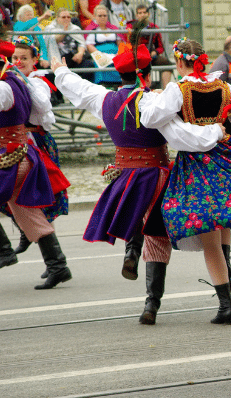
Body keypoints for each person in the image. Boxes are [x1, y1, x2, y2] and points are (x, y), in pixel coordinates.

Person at [138, 36, 231, 326]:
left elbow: (151, 117)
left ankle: (226, 304)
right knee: (222, 225)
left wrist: (154, 102)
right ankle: (226, 291)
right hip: (224, 161)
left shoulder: (179, 89)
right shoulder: (225, 88)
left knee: (210, 236)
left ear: (179, 61)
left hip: (196, 167)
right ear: (203, 59)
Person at [52, 34, 182, 324]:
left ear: (118, 74)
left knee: (134, 214)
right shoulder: (153, 100)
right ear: (146, 74)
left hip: (124, 173)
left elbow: (79, 87)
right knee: (158, 235)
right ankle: (151, 305)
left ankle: (131, 252)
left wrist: (60, 70)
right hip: (156, 173)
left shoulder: (104, 98)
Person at [0, 31, 72, 289]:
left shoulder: (6, 85)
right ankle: (58, 265)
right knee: (27, 211)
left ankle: (2, 250)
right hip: (19, 153)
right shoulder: (15, 81)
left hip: (12, 155)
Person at [6, 36, 71, 264]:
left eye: (24, 58)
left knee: (40, 198)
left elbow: (43, 106)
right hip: (19, 141)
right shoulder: (8, 80)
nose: (19, 61)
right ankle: (27, 231)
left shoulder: (38, 82)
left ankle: (52, 259)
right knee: (9, 192)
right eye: (15, 57)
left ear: (35, 60)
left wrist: (24, 80)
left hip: (37, 141)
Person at [126, 4, 171, 88]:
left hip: (150, 55)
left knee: (167, 64)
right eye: (140, 13)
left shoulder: (154, 27)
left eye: (144, 12)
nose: (142, 14)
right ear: (136, 15)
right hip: (137, 56)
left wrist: (155, 52)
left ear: (149, 14)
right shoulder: (131, 26)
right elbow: (128, 44)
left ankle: (165, 89)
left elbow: (161, 47)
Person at [45, 8, 95, 82]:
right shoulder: (50, 28)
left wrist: (80, 53)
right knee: (48, 73)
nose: (66, 19)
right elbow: (53, 40)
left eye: (68, 17)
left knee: (89, 65)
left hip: (74, 58)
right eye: (63, 17)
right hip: (58, 59)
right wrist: (64, 31)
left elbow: (81, 43)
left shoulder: (74, 28)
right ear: (57, 18)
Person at [85, 5, 121, 84]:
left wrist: (119, 54)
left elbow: (120, 44)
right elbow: (89, 46)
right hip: (99, 54)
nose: (102, 17)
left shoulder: (113, 29)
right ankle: (103, 83)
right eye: (100, 16)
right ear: (95, 16)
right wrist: (100, 55)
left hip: (115, 54)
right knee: (99, 63)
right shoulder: (92, 30)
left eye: (104, 15)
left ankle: (119, 83)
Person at [13, 4, 52, 68]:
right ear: (20, 17)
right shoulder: (18, 25)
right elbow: (25, 27)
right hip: (22, 57)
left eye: (31, 15)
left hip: (35, 57)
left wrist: (43, 58)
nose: (30, 17)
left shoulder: (37, 28)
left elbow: (42, 45)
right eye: (28, 15)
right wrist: (42, 17)